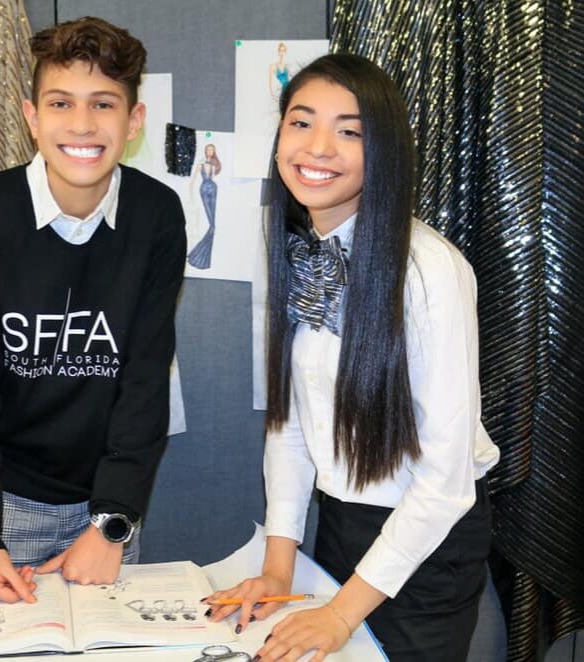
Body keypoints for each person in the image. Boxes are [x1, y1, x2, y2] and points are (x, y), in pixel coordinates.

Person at [204, 54, 499, 662]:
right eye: (301, 122)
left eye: (350, 131)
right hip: (342, 527)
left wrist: (340, 613)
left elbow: (444, 483)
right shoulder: (300, 251)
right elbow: (290, 424)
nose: (318, 147)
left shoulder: (428, 270)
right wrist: (278, 567)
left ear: (384, 150)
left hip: (426, 546)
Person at [0, 16, 186, 605]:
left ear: (133, 122)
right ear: (32, 117)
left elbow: (145, 378)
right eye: (61, 103)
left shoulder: (157, 215)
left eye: (103, 104)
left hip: (106, 505)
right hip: (6, 504)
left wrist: (111, 523)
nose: (81, 124)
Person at [187, 143, 221, 269]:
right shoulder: (201, 164)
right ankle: (198, 256)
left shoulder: (215, 164)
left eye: (212, 150)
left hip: (213, 188)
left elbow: (213, 177)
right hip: (204, 189)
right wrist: (191, 197)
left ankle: (203, 257)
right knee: (212, 224)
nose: (210, 152)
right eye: (208, 150)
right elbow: (193, 181)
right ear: (205, 151)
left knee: (213, 225)